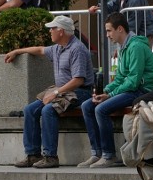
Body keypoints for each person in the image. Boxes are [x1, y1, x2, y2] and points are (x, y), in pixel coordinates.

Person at [7, 15, 95, 169]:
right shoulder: (58, 48)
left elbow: (78, 80)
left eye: (52, 28)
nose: (50, 31)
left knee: (48, 110)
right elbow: (40, 49)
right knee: (30, 110)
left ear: (61, 31)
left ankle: (50, 156)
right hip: (62, 90)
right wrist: (17, 51)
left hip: (79, 92)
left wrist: (55, 93)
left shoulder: (77, 49)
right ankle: (33, 154)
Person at [82, 12, 153, 168]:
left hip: (142, 90)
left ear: (120, 29)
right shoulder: (124, 47)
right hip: (132, 89)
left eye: (109, 30)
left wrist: (110, 95)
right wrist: (105, 91)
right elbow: (120, 77)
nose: (107, 35)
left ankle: (108, 155)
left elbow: (133, 81)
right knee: (87, 106)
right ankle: (96, 153)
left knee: (100, 110)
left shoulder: (135, 47)